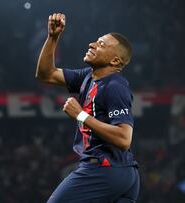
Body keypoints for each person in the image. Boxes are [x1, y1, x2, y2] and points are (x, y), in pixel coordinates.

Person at [35, 13, 140, 202]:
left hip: (104, 169)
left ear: (115, 61)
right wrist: (52, 37)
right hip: (123, 174)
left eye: (101, 45)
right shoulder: (87, 77)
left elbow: (124, 138)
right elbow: (46, 74)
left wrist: (81, 116)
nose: (92, 44)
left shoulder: (115, 86)